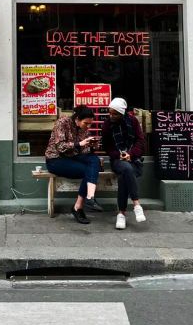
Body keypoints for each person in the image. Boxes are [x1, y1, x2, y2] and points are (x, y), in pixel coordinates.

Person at [45, 105, 103, 224]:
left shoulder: (83, 128)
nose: (88, 126)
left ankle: (89, 198)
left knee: (94, 160)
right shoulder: (62, 122)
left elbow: (82, 151)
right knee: (89, 170)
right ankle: (79, 207)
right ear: (77, 119)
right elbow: (60, 147)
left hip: (72, 158)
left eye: (90, 124)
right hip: (56, 160)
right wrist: (80, 144)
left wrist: (91, 147)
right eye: (86, 123)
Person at [101, 97, 146, 230]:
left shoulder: (132, 121)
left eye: (115, 114)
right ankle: (137, 204)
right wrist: (120, 155)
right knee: (126, 168)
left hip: (134, 159)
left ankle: (121, 214)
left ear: (122, 113)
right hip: (117, 160)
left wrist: (130, 154)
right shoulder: (107, 125)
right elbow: (107, 147)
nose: (111, 116)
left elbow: (140, 141)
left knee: (124, 176)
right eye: (110, 113)